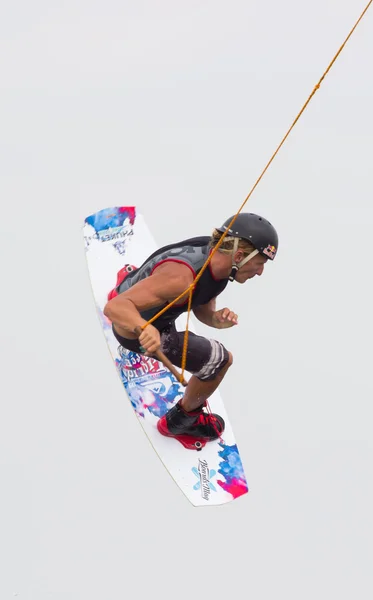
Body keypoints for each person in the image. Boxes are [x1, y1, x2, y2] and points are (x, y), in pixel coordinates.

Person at [103, 212, 278, 446]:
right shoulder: (181, 280)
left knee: (154, 293)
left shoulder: (216, 260)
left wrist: (216, 319)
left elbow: (200, 305)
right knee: (221, 360)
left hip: (133, 289)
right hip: (132, 329)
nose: (260, 272)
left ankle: (129, 286)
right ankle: (180, 422)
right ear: (239, 255)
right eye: (260, 264)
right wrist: (142, 327)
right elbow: (114, 308)